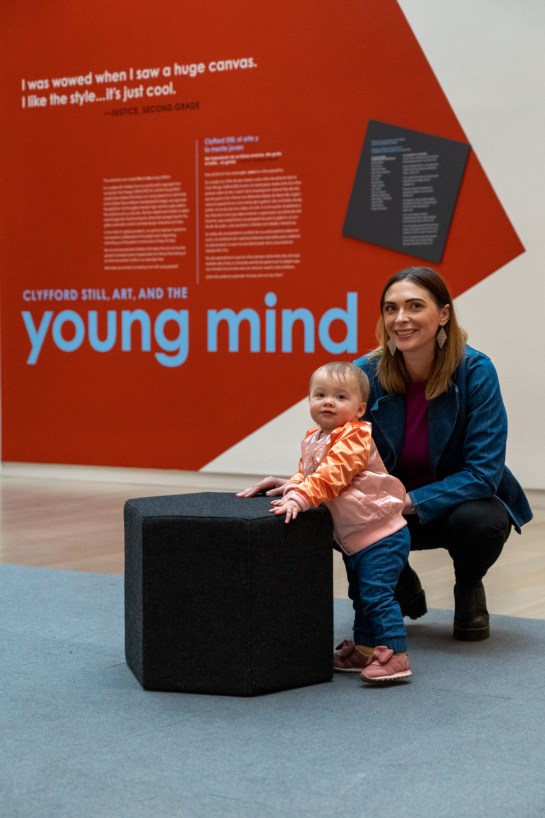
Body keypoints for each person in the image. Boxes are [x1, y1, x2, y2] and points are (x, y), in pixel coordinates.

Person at [238, 266, 533, 642]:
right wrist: (301, 484)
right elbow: (338, 448)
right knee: (322, 510)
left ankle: (469, 585)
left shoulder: (476, 371)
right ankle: (396, 574)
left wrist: (406, 502)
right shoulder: (365, 374)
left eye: (414, 306)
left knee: (485, 520)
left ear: (443, 314)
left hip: (445, 507)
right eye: (391, 308)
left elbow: (483, 474)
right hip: (382, 509)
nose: (401, 318)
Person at [270, 360, 412, 683]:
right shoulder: (313, 439)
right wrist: (291, 486)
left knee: (377, 594)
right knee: (361, 595)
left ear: (360, 408)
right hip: (356, 538)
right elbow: (306, 472)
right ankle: (364, 649)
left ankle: (397, 653)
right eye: (320, 394)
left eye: (340, 397)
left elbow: (331, 476)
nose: (328, 402)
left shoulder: (355, 437)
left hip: (382, 535)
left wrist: (301, 498)